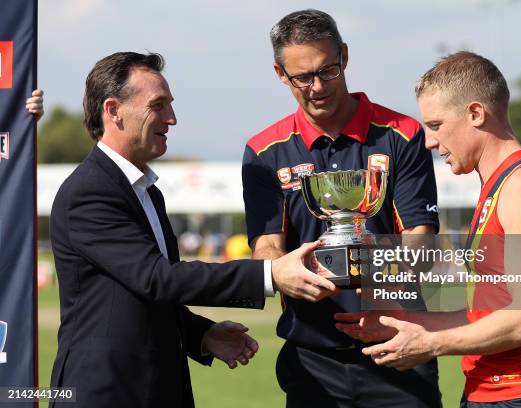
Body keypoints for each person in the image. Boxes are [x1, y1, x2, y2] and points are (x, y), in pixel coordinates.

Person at [49, 51, 336, 408]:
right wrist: (271, 273)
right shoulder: (89, 192)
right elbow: (157, 278)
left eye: (170, 105)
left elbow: (140, 298)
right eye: (159, 105)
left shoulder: (146, 191)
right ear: (113, 110)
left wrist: (201, 335)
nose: (172, 118)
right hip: (107, 392)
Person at [336, 51, 521, 407]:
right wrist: (408, 322)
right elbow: (486, 314)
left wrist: (430, 345)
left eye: (435, 125)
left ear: (476, 114)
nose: (430, 141)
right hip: (489, 395)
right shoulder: (498, 186)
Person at [242, 9, 441, 407]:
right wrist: (285, 273)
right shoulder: (264, 152)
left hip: (398, 344)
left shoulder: (402, 135)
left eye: (328, 71)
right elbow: (266, 245)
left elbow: (420, 236)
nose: (318, 86)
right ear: (281, 74)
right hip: (312, 357)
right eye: (303, 77)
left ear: (345, 57)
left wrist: (383, 280)